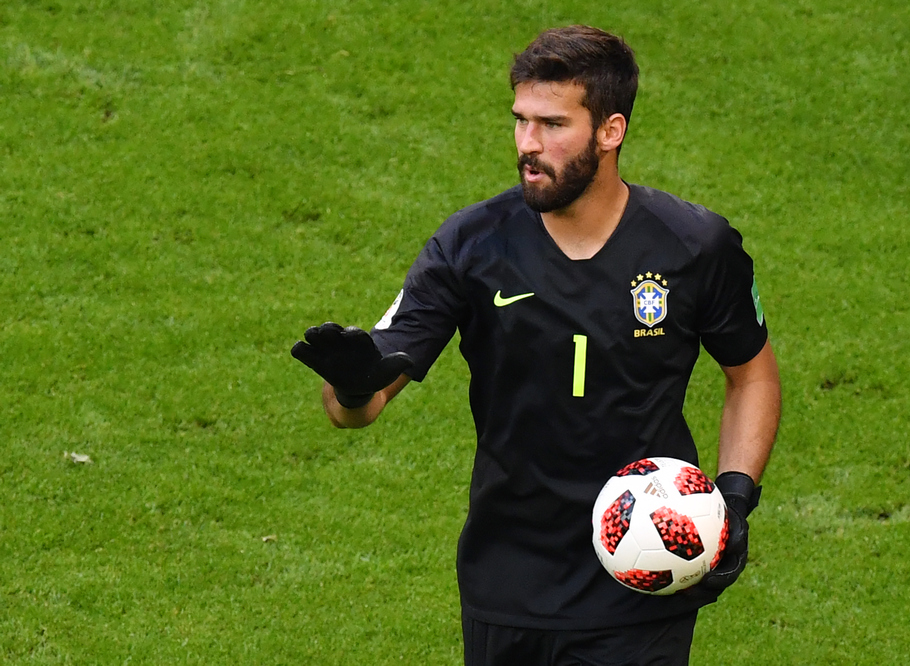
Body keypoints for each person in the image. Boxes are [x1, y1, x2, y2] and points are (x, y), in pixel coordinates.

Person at [292, 25, 781, 666]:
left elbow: (751, 375)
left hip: (640, 583)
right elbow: (359, 404)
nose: (528, 145)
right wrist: (354, 383)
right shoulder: (470, 245)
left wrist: (736, 495)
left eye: (552, 124)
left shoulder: (694, 247)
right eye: (520, 121)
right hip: (506, 581)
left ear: (610, 131)